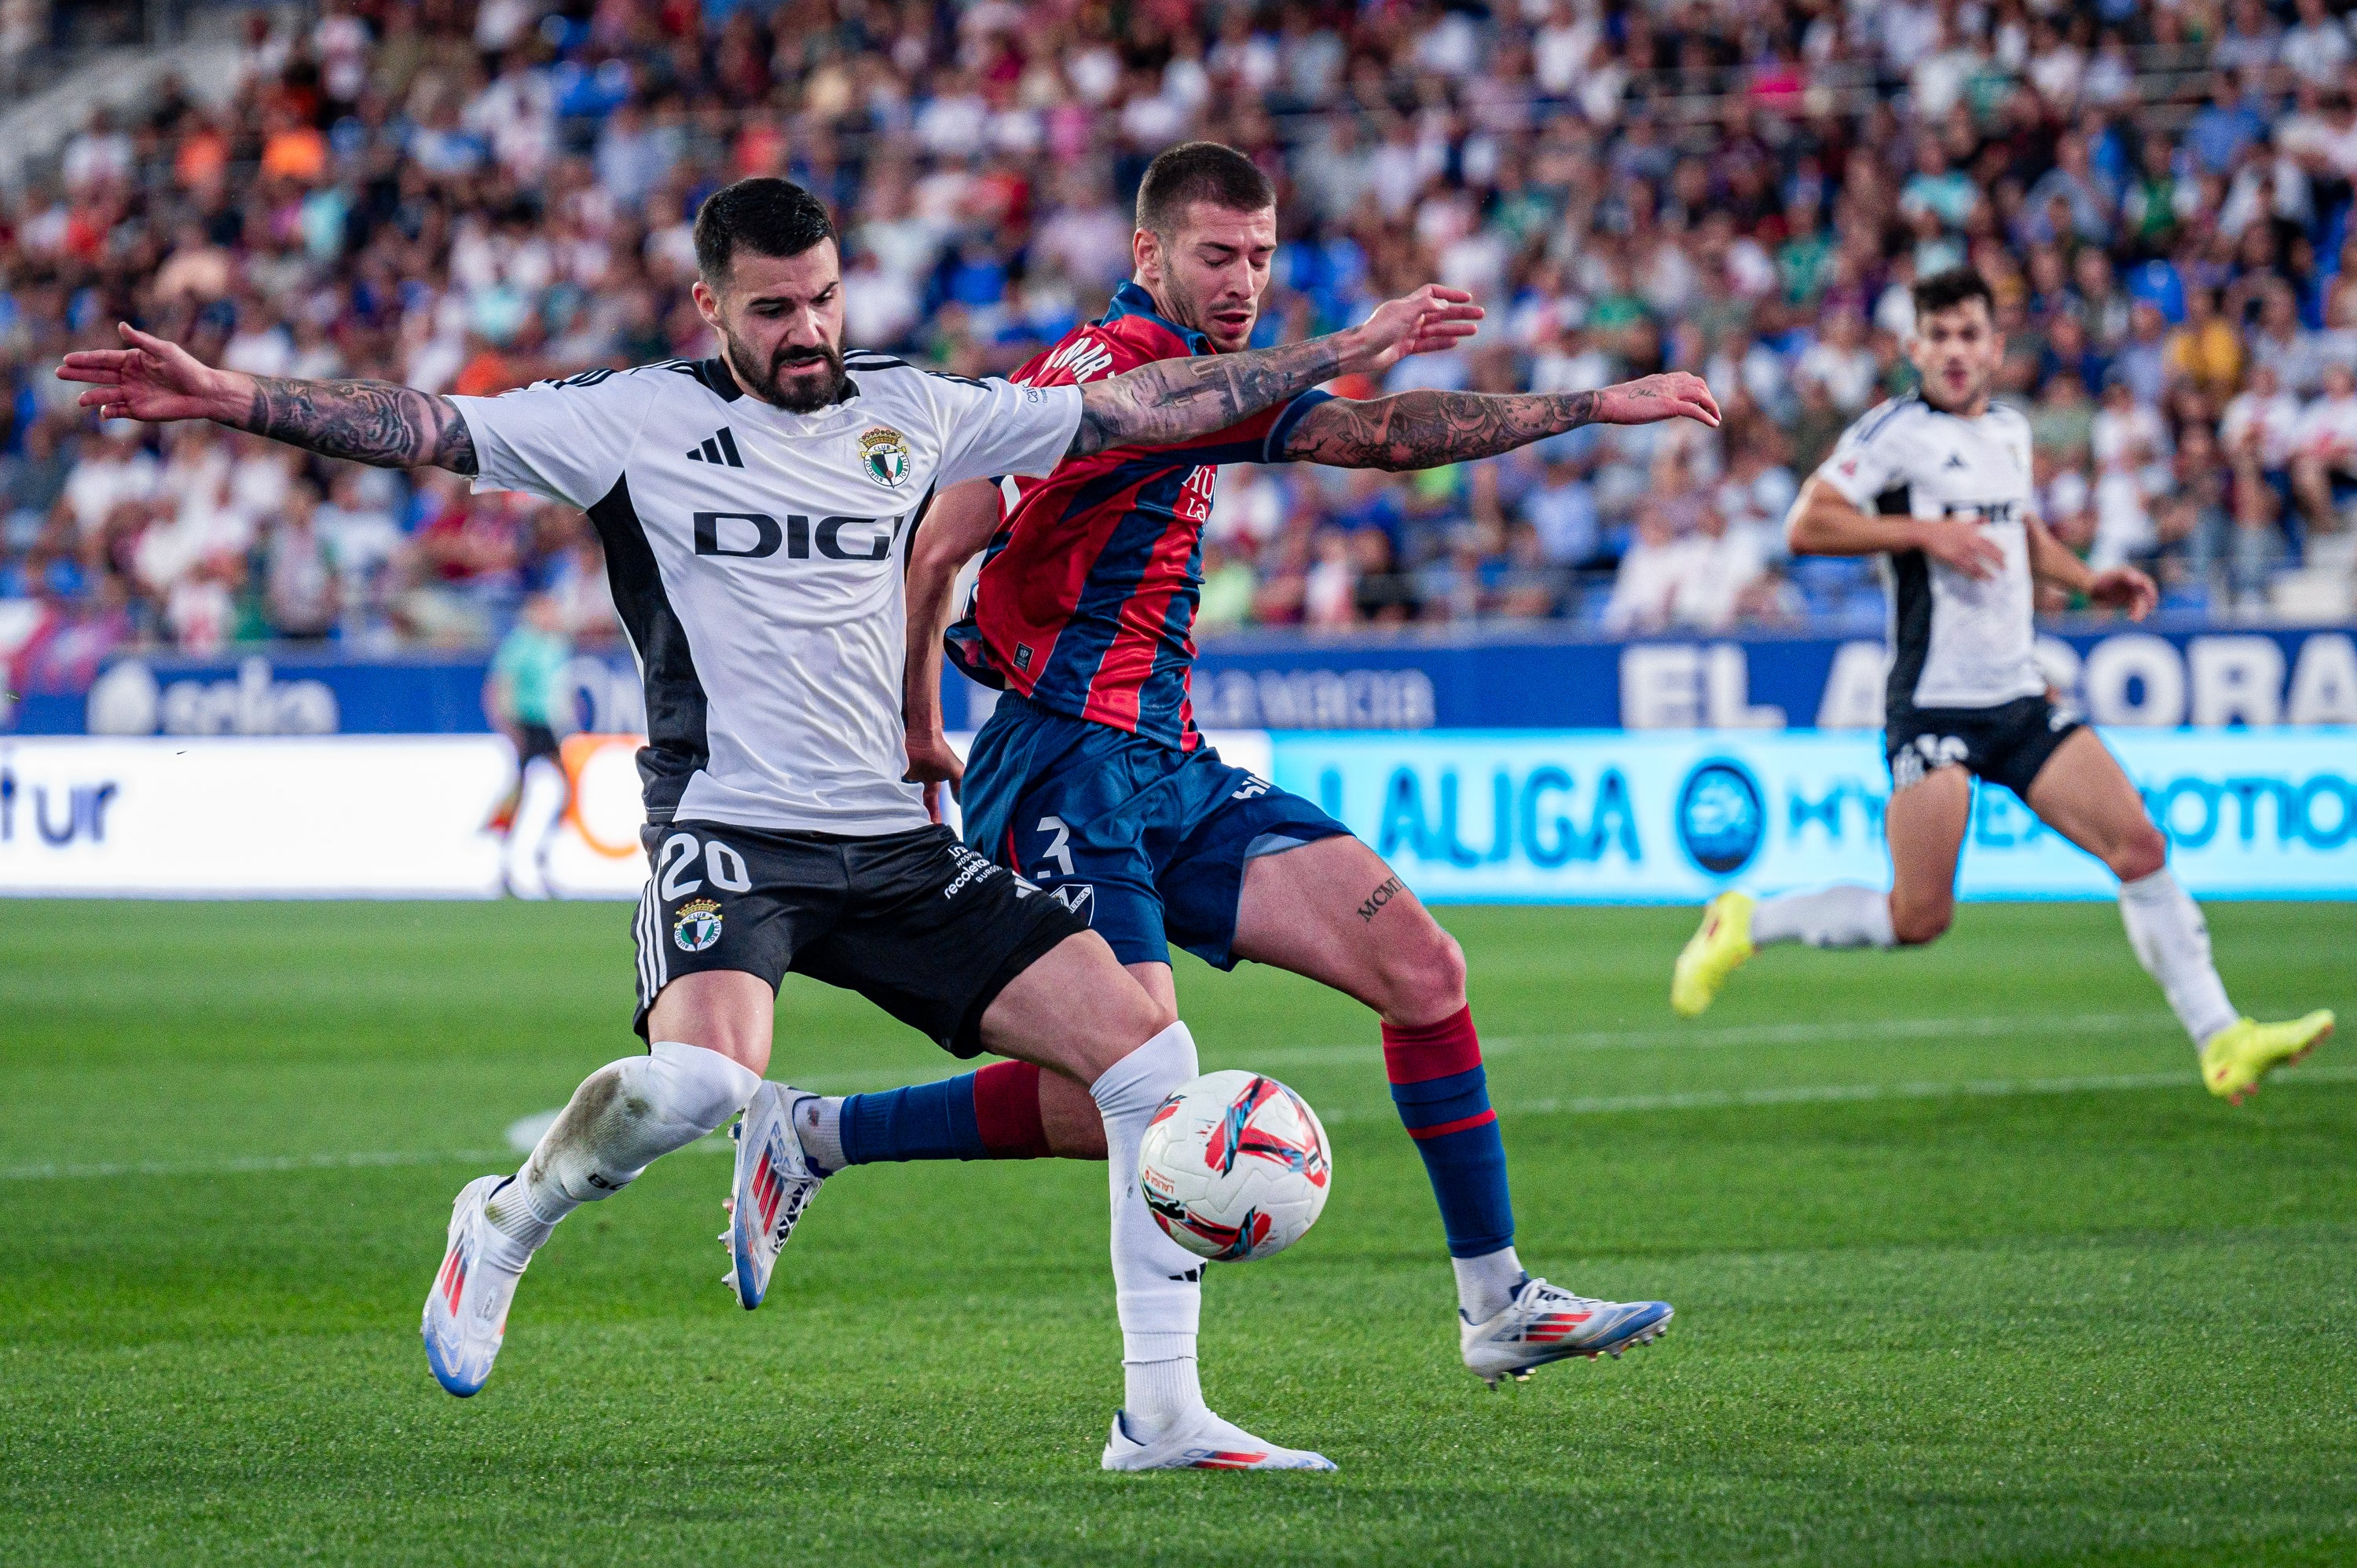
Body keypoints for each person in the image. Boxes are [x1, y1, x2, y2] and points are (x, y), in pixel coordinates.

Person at [61, 176, 1480, 1470]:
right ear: (709, 306)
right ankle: (504, 1219)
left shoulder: (911, 409)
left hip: (893, 842)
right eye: (772, 309)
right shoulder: (628, 419)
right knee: (699, 1092)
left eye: (823, 300)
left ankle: (1157, 1414)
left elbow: (1147, 409)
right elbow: (426, 427)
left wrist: (1345, 345)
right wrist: (233, 397)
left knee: (1147, 1055)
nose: (807, 331)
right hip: (729, 827)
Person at [767, 143, 1719, 1390]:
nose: (1245, 280)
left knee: (1423, 968)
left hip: (1173, 765)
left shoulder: (1219, 381)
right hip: (1059, 762)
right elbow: (939, 539)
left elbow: (1375, 434)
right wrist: (911, 719)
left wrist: (1590, 405)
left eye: (1262, 257)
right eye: (1219, 255)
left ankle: (1498, 1303)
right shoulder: (1093, 379)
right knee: (1144, 1069)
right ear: (1149, 255)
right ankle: (821, 1135)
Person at [1670, 268, 2333, 1101]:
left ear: (1995, 346)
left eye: (1969, 335)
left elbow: (2018, 528)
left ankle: (2221, 1037)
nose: (1954, 351)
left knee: (2141, 847)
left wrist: (2090, 581)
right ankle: (1748, 922)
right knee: (1921, 917)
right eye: (1938, 336)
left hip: (2016, 698)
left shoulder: (2011, 434)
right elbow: (1807, 522)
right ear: (1915, 348)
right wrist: (1922, 533)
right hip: (1933, 705)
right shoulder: (1893, 434)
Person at [482, 592, 573, 898]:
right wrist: (508, 727)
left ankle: (542, 854)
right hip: (525, 724)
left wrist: (567, 723)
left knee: (566, 791)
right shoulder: (519, 644)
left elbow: (559, 689)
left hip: (547, 727)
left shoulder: (557, 645)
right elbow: (499, 688)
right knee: (520, 794)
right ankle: (505, 863)